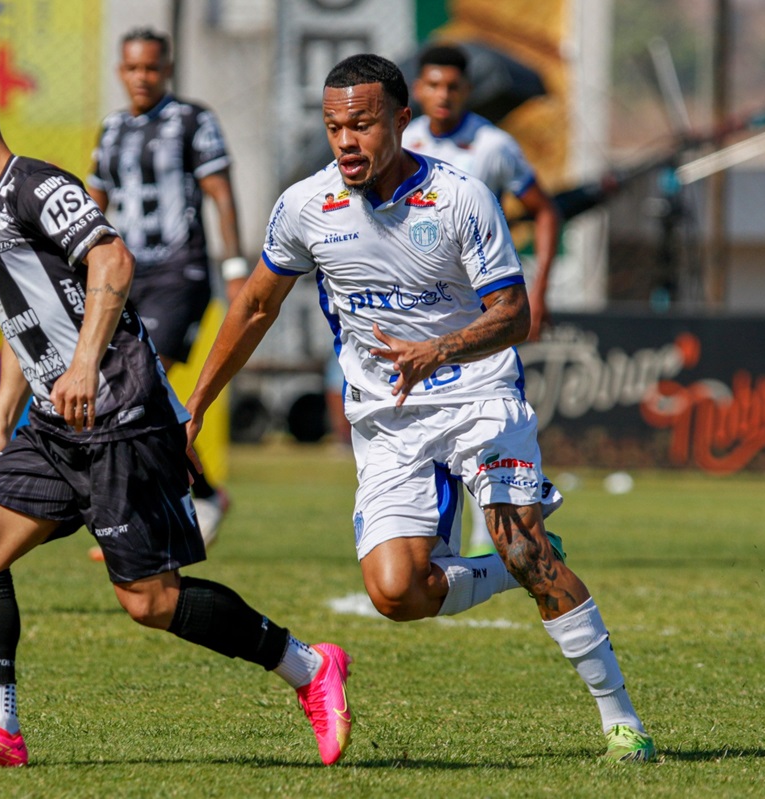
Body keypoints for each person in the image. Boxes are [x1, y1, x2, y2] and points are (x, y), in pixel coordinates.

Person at [184, 54, 654, 762]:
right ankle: (518, 561)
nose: (346, 141)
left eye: (363, 124)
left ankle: (622, 721)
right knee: (396, 592)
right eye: (334, 126)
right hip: (388, 418)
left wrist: (439, 351)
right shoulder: (307, 207)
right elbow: (253, 306)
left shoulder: (462, 197)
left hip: (478, 392)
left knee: (518, 538)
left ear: (402, 122)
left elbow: (514, 314)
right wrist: (195, 406)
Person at [0, 74, 352, 768]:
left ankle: (308, 666)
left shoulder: (34, 187)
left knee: (150, 601)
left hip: (120, 411)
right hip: (56, 426)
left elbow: (112, 256)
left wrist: (84, 364)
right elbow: (24, 329)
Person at [85, 27, 245, 549]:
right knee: (133, 393)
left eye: (151, 68)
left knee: (139, 385)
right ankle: (202, 492)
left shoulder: (192, 121)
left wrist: (235, 263)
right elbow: (96, 199)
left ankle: (137, 509)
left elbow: (220, 194)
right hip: (125, 276)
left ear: (167, 69)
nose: (141, 78)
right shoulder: (111, 130)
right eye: (132, 69)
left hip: (180, 272)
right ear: (120, 71)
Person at [403, 42, 563, 557]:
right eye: (433, 84)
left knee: (486, 410)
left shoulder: (494, 146)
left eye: (453, 86)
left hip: (482, 306)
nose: (443, 94)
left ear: (467, 90)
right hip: (419, 304)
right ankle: (429, 535)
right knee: (419, 416)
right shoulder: (404, 142)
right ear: (419, 89)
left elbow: (544, 210)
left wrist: (537, 288)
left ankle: (491, 536)